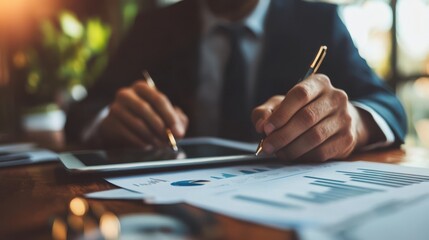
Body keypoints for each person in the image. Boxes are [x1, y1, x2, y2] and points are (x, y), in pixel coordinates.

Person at [65, 0, 407, 162]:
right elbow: (84, 110)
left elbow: (388, 106)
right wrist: (107, 120)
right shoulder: (152, 27)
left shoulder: (319, 21)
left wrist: (353, 124)